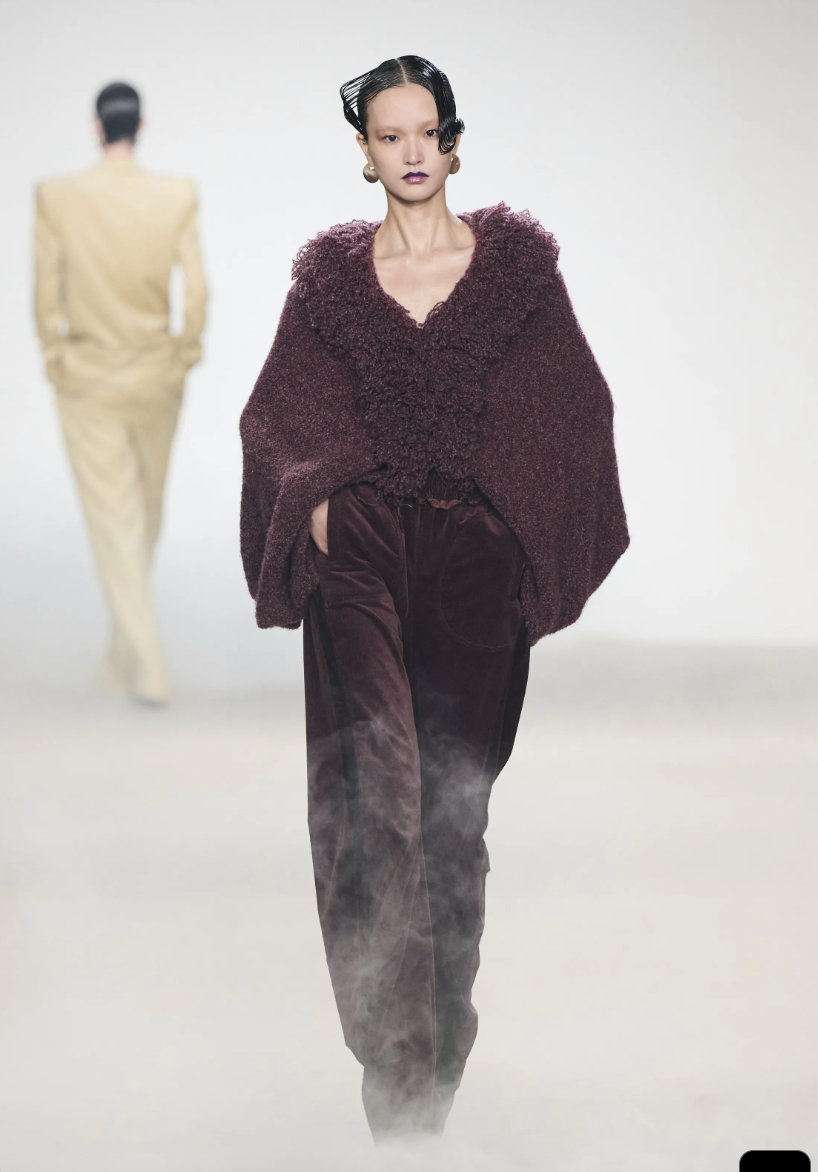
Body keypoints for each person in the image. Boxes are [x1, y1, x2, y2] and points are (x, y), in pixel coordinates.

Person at [240, 55, 629, 1140]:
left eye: (426, 132)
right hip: (361, 548)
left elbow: (575, 411)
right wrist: (319, 505)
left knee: (452, 818)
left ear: (451, 143)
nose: (411, 152)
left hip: (471, 563)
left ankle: (435, 1067)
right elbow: (275, 417)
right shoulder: (330, 283)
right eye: (388, 135)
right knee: (375, 801)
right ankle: (395, 1079)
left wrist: (509, 532)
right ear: (364, 154)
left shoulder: (514, 276)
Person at [34, 82, 207, 704]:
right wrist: (184, 350)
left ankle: (144, 664)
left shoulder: (57, 197)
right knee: (143, 514)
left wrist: (55, 354)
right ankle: (124, 658)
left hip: (89, 378)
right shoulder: (175, 195)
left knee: (119, 521)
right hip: (157, 375)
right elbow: (197, 288)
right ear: (142, 125)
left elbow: (46, 289)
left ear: (95, 125)